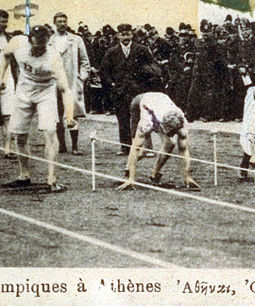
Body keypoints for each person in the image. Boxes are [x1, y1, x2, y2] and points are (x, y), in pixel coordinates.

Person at [0, 25, 75, 192]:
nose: (38, 50)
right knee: (19, 134)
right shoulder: (18, 43)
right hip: (24, 91)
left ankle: (51, 178)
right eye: (35, 46)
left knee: (50, 132)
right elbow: (5, 56)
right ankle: (24, 175)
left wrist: (69, 115)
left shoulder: (53, 58)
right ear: (29, 40)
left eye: (42, 46)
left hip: (45, 93)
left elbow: (65, 90)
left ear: (47, 42)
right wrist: (0, 77)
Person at [117, 92, 198, 190]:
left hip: (161, 102)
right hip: (140, 102)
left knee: (170, 144)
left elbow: (184, 149)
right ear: (162, 126)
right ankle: (128, 171)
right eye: (169, 133)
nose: (172, 135)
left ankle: (154, 174)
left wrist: (187, 176)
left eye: (174, 133)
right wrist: (131, 179)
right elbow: (135, 148)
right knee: (142, 151)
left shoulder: (182, 124)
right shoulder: (148, 122)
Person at [100, 23, 160, 155]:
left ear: (132, 34)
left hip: (138, 91)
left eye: (128, 34)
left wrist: (144, 84)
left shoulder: (142, 49)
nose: (125, 37)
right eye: (122, 34)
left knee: (143, 118)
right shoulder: (112, 52)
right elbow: (104, 71)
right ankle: (125, 147)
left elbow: (152, 67)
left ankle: (147, 148)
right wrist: (112, 84)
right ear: (118, 35)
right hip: (120, 91)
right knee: (123, 119)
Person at [50, 12, 90, 155]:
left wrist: (81, 77)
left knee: (72, 112)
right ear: (55, 23)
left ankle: (75, 146)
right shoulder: (49, 41)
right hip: (54, 82)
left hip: (71, 81)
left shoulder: (76, 39)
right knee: (57, 112)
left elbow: (85, 62)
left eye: (64, 21)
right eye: (59, 21)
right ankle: (62, 145)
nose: (62, 24)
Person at [0, 9, 17, 158]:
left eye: (6, 21)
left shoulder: (10, 38)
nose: (5, 24)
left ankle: (8, 148)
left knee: (8, 116)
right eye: (2, 21)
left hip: (8, 80)